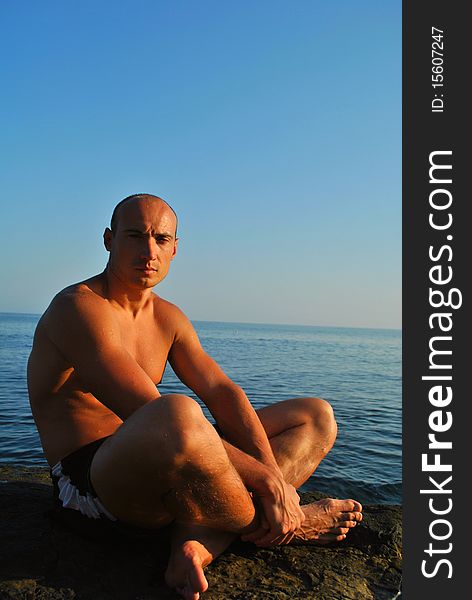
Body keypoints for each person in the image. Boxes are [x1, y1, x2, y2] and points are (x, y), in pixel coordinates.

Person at [27, 193, 362, 600]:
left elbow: (221, 391)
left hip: (161, 469)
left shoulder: (167, 316)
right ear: (108, 240)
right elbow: (146, 411)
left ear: (175, 248)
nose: (149, 250)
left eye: (161, 239)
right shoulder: (78, 308)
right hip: (94, 488)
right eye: (135, 236)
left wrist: (272, 474)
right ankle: (295, 526)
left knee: (315, 416)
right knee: (177, 413)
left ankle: (195, 547)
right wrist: (268, 485)